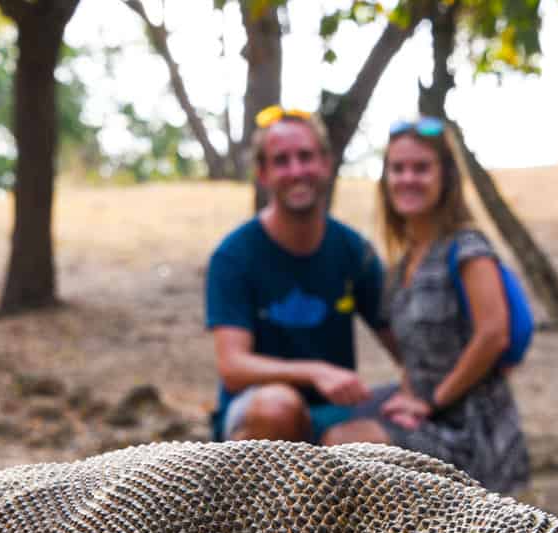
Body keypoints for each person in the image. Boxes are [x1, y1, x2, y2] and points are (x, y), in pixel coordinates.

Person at [321, 116, 530, 493]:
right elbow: (414, 352)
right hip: (426, 412)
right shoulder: (406, 262)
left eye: (421, 168)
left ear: (445, 177)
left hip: (471, 428)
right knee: (330, 434)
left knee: (348, 445)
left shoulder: (468, 249)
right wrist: (407, 392)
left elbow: (493, 335)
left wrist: (434, 400)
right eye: (397, 169)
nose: (407, 179)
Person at [205, 106, 391, 443]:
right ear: (262, 174)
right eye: (281, 161)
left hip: (332, 411)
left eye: (305, 156)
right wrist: (315, 372)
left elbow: (401, 341)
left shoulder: (354, 251)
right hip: (255, 410)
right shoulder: (234, 256)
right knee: (279, 408)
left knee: (370, 440)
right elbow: (232, 367)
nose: (296, 170)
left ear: (326, 163)